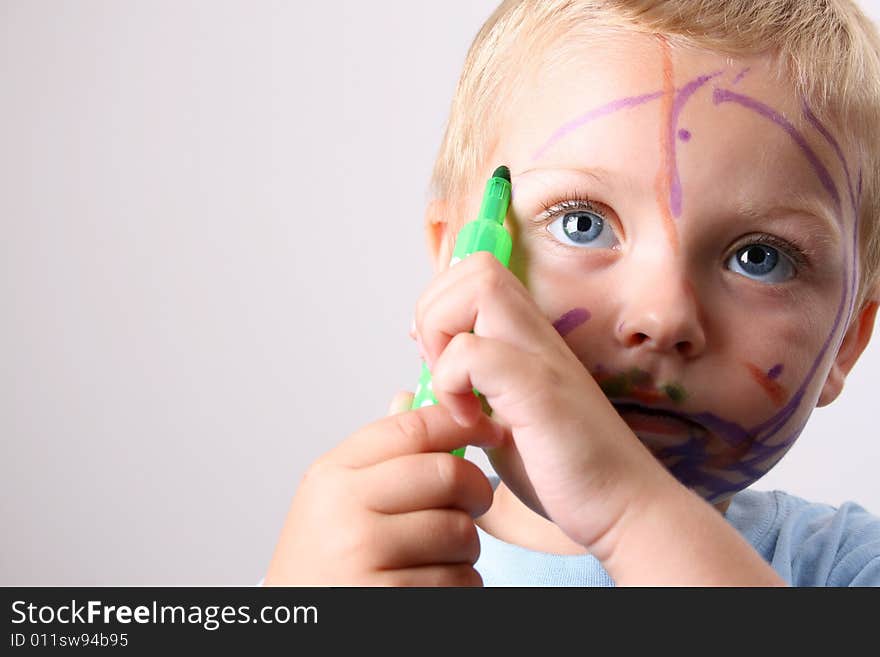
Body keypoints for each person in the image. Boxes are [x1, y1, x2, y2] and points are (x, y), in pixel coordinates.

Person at [264, 0, 880, 586]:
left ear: (848, 338)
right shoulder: (344, 569)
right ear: (460, 265)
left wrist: (627, 507)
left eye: (759, 258)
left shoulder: (849, 569)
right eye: (582, 223)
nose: (662, 316)